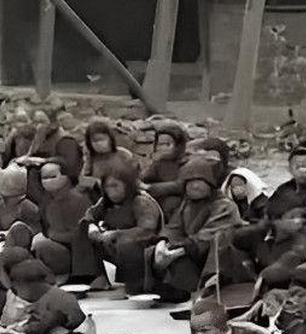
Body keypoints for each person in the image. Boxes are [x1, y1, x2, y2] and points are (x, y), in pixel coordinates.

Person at [150, 157, 250, 301]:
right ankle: (175, 290)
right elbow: (174, 228)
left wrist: (179, 250)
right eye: (190, 182)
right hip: (193, 250)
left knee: (216, 243)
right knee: (153, 252)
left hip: (218, 258)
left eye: (199, 181)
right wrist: (163, 243)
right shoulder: (187, 204)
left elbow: (210, 234)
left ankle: (207, 291)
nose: (194, 186)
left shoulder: (224, 205)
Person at [84, 162, 162, 294]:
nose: (112, 191)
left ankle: (137, 286)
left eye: (115, 186)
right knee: (83, 231)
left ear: (127, 185)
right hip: (113, 244)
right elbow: (90, 214)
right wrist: (92, 226)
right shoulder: (105, 202)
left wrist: (116, 234)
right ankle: (97, 276)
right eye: (108, 187)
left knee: (126, 244)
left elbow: (147, 230)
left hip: (142, 246)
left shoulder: (141, 201)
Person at [31, 161, 96, 282]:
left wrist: (53, 235)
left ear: (65, 177)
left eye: (52, 176)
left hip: (81, 255)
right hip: (58, 248)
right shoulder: (46, 201)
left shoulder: (79, 200)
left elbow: (82, 235)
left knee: (42, 244)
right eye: (44, 178)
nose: (48, 181)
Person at [141, 121, 189, 218]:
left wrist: (151, 188)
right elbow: (145, 177)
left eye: (167, 144)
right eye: (159, 144)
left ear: (178, 146)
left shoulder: (187, 162)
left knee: (171, 203)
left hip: (181, 200)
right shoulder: (158, 163)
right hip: (159, 199)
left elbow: (181, 185)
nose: (162, 148)